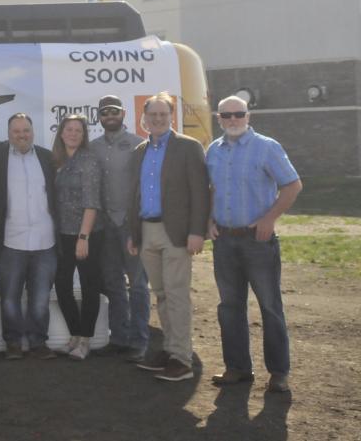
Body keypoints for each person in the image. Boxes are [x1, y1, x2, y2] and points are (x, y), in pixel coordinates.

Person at [206, 96, 302, 394]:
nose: (233, 119)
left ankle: (278, 372)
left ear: (248, 116)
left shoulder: (267, 147)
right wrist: (208, 221)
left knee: (270, 307)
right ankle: (237, 367)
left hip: (257, 241)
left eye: (238, 114)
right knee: (229, 307)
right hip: (224, 240)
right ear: (218, 118)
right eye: (226, 115)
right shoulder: (213, 151)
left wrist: (269, 219)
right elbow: (211, 189)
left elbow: (292, 185)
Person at [127, 91, 209, 382]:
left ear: (171, 117)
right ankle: (169, 350)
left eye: (163, 114)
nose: (158, 119)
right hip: (146, 232)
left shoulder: (188, 147)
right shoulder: (140, 151)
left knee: (177, 296)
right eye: (153, 115)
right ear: (144, 118)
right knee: (161, 294)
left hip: (176, 233)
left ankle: (182, 359)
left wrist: (197, 231)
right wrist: (133, 235)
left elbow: (200, 193)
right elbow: (133, 196)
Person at [0, 113, 58, 361]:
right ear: (8, 134)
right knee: (9, 298)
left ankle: (39, 343)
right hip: (10, 240)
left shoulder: (47, 157)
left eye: (26, 130)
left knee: (40, 298)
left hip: (45, 240)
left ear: (33, 131)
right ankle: (14, 343)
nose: (22, 135)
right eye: (16, 131)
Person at [89, 95, 149, 362]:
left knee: (137, 285)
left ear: (123, 113)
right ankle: (119, 338)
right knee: (113, 283)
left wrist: (137, 224)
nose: (109, 116)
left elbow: (145, 188)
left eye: (114, 111)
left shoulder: (139, 145)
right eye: (104, 112)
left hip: (130, 225)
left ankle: (139, 340)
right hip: (105, 226)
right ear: (99, 117)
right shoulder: (92, 148)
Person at [51, 114, 103, 361]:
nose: (73, 134)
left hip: (87, 234)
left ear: (83, 136)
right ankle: (74, 334)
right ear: (61, 133)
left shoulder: (89, 161)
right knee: (62, 285)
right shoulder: (56, 161)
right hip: (62, 235)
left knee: (89, 286)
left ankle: (85, 340)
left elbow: (92, 202)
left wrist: (84, 237)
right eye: (69, 129)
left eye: (78, 131)